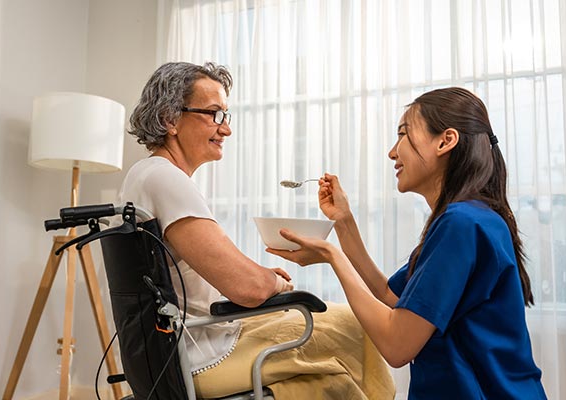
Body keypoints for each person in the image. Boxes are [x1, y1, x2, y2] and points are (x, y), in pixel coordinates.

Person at [119, 61, 395, 399]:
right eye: (214, 114)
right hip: (203, 352)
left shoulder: (144, 176)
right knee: (356, 326)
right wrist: (274, 282)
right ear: (169, 119)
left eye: (226, 116)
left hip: (184, 343)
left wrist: (260, 278)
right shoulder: (165, 178)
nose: (226, 129)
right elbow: (247, 288)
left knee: (332, 378)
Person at [268, 87, 548, 399]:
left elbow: (397, 345)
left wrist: (334, 256)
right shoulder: (472, 218)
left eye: (403, 133)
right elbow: (390, 295)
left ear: (445, 141)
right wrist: (343, 223)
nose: (392, 152)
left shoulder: (461, 224)